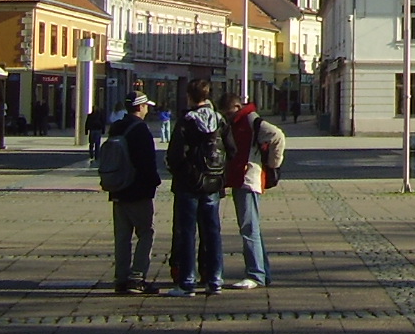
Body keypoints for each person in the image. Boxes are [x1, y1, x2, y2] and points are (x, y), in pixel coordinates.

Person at [164, 79, 233, 297]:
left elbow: (175, 154)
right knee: (212, 232)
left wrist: (183, 172)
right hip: (212, 183)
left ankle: (187, 282)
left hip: (189, 184)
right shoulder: (219, 120)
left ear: (189, 97)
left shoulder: (187, 121)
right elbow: (232, 150)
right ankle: (215, 280)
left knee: (187, 233)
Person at [216, 92, 283, 289]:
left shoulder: (251, 121)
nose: (227, 117)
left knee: (248, 228)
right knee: (252, 228)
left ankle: (255, 274)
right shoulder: (239, 121)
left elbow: (277, 136)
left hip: (248, 178)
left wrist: (272, 164)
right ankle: (262, 272)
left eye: (229, 113)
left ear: (237, 107)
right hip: (242, 178)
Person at [107, 93, 161, 293]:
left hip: (117, 187)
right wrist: (153, 183)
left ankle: (120, 278)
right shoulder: (140, 130)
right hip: (138, 190)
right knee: (145, 233)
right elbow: (146, 162)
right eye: (146, 105)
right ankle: (137, 277)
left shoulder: (116, 127)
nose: (147, 109)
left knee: (122, 236)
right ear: (140, 107)